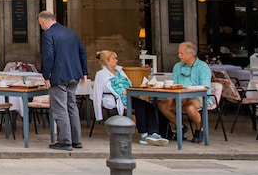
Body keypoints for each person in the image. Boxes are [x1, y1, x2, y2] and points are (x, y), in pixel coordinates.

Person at [93, 49, 167, 145]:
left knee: (150, 106)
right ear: (107, 61)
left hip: (128, 96)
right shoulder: (101, 74)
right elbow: (97, 92)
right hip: (116, 99)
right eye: (114, 59)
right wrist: (98, 114)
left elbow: (128, 84)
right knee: (140, 105)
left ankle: (153, 133)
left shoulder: (120, 71)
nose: (116, 60)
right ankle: (143, 134)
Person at [38, 10, 87, 151]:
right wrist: (84, 71)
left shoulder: (48, 34)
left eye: (41, 24)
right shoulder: (70, 32)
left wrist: (46, 75)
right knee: (72, 106)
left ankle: (65, 141)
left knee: (60, 108)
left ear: (44, 21)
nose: (42, 27)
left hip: (59, 75)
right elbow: (82, 51)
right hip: (74, 75)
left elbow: (48, 56)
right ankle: (76, 140)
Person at [158, 41, 212, 143]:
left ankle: (198, 129)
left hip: (198, 96)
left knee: (190, 108)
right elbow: (174, 83)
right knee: (162, 105)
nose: (179, 55)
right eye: (179, 53)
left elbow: (205, 87)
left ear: (191, 54)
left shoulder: (203, 67)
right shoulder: (177, 66)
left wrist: (187, 95)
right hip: (179, 95)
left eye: (181, 53)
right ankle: (180, 126)